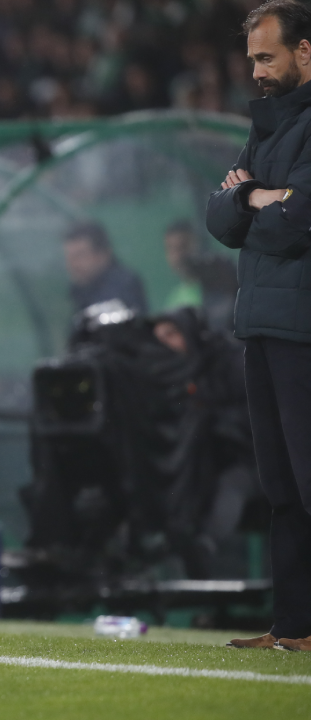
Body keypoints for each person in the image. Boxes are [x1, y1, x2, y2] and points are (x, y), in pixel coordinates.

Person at [206, 0, 311, 652]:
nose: (257, 72)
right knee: (281, 488)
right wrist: (253, 195)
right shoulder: (267, 127)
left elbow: (296, 222)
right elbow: (221, 219)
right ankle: (295, 627)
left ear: (305, 51)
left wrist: (258, 200)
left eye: (267, 57)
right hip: (261, 324)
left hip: (303, 327)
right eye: (252, 59)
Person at [162, 219, 238, 332]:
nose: (178, 256)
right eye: (172, 249)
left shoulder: (223, 283)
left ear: (198, 245)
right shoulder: (172, 300)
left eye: (183, 246)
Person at [64, 221, 148, 316]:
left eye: (80, 255)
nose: (73, 264)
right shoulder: (79, 290)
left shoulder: (123, 285)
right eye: (69, 257)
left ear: (103, 254)